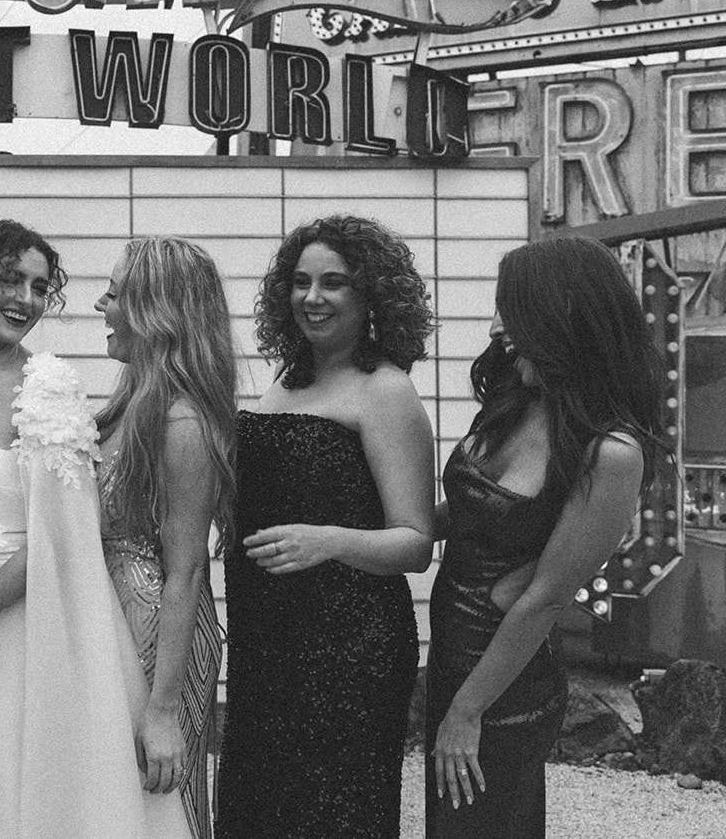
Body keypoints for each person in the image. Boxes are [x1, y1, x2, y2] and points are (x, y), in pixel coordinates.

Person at [0, 219, 191, 839]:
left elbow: (61, 542)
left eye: (37, 286)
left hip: (20, 634)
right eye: (9, 279)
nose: (24, 299)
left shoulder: (48, 389)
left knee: (12, 795)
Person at [426, 236, 661, 837]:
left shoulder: (610, 451)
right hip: (454, 656)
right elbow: (459, 515)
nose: (498, 325)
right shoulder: (514, 402)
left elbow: (547, 597)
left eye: (513, 308)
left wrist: (467, 710)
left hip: (505, 679)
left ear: (561, 320)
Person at [218, 214, 437, 839]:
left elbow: (416, 542)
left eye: (333, 283)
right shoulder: (287, 380)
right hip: (267, 639)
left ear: (371, 295)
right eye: (300, 282)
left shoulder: (386, 391)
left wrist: (327, 541)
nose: (312, 298)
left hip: (348, 648)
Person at [93, 237, 236, 839]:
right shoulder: (128, 403)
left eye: (116, 292)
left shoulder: (182, 422)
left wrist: (163, 708)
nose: (101, 304)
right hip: (114, 619)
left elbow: (187, 569)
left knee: (159, 812)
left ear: (156, 311)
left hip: (156, 634)